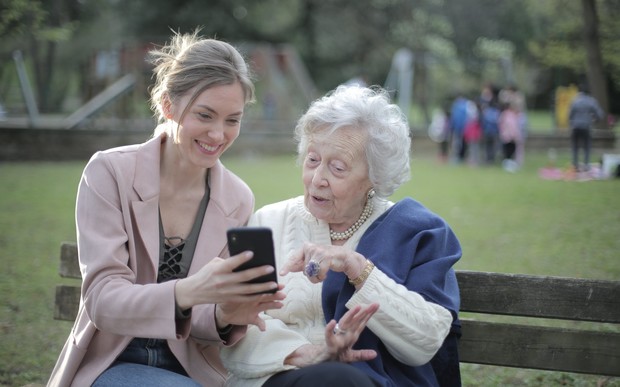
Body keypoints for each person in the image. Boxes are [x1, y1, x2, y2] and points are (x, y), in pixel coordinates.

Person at [47, 31, 285, 387]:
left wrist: (225, 313)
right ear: (167, 104)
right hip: (110, 364)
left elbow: (203, 321)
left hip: (193, 372)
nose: (218, 135)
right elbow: (102, 300)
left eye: (232, 120)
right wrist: (188, 290)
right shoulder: (109, 172)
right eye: (205, 115)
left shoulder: (237, 197)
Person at [220, 85, 462, 387]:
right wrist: (305, 353)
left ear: (375, 177)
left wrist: (358, 269)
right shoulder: (268, 221)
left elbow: (427, 342)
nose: (317, 179)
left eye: (337, 168)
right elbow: (235, 326)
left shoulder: (416, 232)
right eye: (312, 160)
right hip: (275, 378)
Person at [569, 83, 605, 171]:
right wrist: (594, 120)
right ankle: (586, 165)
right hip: (586, 126)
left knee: (575, 146)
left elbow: (570, 115)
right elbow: (600, 114)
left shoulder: (575, 101)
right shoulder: (591, 101)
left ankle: (575, 165)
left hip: (576, 127)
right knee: (587, 146)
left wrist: (573, 122)